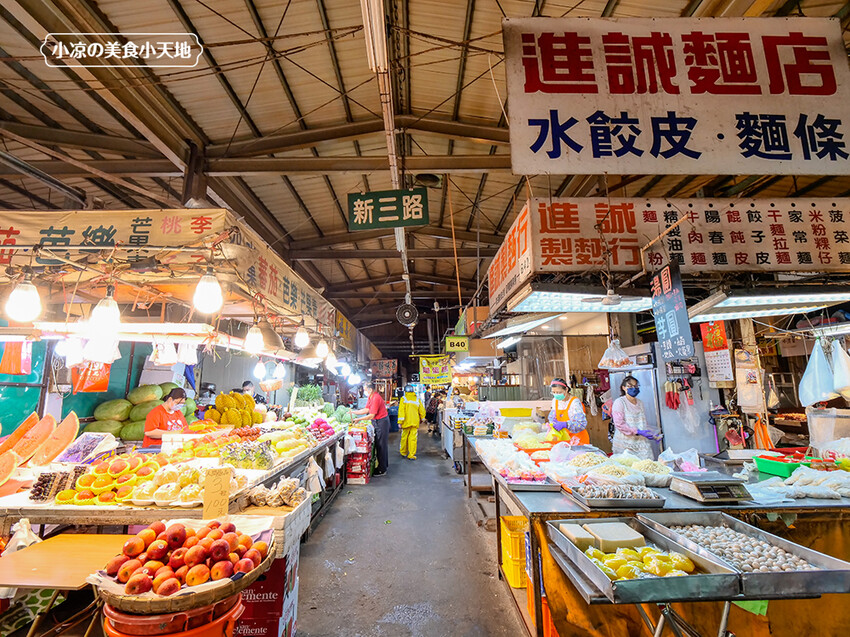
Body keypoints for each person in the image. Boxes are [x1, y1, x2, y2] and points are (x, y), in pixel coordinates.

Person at [611, 376, 662, 460]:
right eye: (630, 386)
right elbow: (619, 424)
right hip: (625, 444)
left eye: (636, 386)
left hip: (641, 444)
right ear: (624, 388)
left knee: (645, 467)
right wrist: (637, 431)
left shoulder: (640, 403)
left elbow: (642, 422)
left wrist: (651, 433)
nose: (633, 388)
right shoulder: (619, 402)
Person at [352, 382, 390, 476]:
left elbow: (371, 415)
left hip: (381, 422)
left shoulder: (376, 398)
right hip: (377, 422)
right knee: (379, 444)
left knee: (381, 445)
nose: (364, 391)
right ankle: (384, 465)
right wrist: (353, 412)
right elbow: (366, 410)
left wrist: (358, 419)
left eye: (365, 390)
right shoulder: (371, 397)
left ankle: (382, 469)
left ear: (370, 389)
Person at [546, 378, 590, 445]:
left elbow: (581, 424)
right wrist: (553, 424)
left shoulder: (575, 402)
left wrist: (566, 424)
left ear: (566, 389)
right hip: (564, 439)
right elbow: (552, 416)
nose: (556, 395)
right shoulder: (555, 401)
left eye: (559, 392)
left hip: (578, 439)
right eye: (554, 392)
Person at [398, 385, 425, 460]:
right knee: (413, 439)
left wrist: (400, 422)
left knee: (404, 437)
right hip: (414, 422)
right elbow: (422, 410)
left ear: (405, 391)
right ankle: (411, 455)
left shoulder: (404, 399)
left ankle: (403, 452)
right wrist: (422, 419)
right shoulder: (417, 399)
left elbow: (401, 411)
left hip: (405, 422)